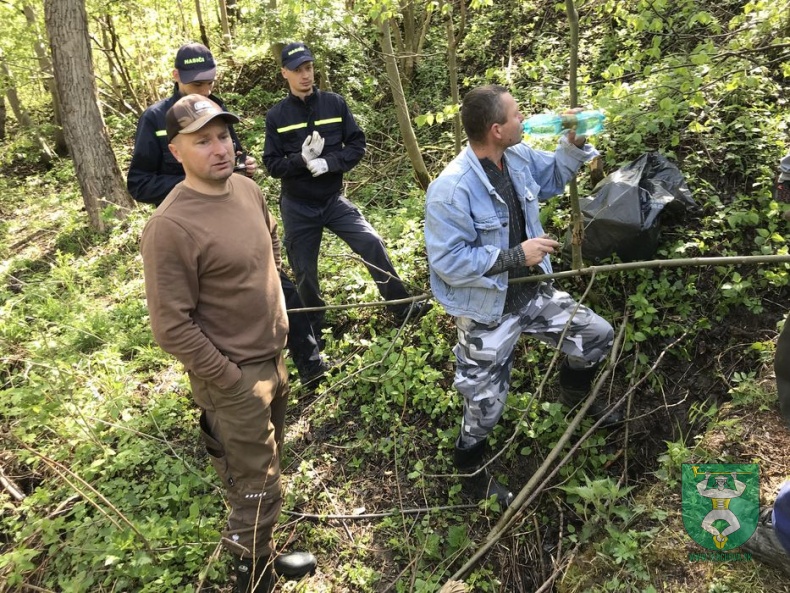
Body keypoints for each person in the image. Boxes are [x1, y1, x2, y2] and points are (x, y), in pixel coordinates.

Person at [140, 94, 316, 592]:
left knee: (270, 466)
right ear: (176, 151)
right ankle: (249, 576)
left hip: (274, 358)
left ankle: (264, 555)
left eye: (223, 136)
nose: (220, 149)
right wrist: (231, 379)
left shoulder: (247, 188)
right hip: (234, 378)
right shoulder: (170, 227)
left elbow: (268, 243)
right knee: (255, 486)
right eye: (202, 141)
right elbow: (171, 327)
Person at [424, 85, 622, 507]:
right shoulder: (451, 189)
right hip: (487, 311)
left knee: (596, 336)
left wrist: (575, 143)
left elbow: (550, 178)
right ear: (496, 130)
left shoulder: (516, 156)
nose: (524, 119)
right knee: (485, 407)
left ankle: (573, 395)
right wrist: (516, 255)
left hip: (532, 293)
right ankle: (470, 470)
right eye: (516, 115)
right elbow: (448, 262)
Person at [128, 42, 328, 388]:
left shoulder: (215, 107)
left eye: (210, 82)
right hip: (195, 230)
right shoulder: (156, 119)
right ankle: (233, 381)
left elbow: (232, 154)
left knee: (283, 290)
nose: (204, 90)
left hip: (235, 215)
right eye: (196, 84)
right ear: (176, 76)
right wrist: (195, 180)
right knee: (221, 311)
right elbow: (139, 183)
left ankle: (309, 366)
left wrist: (240, 165)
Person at [262, 42, 432, 336]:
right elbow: (272, 165)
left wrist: (330, 162)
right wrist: (301, 160)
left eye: (309, 68)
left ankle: (401, 306)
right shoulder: (277, 117)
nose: (305, 75)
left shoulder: (335, 104)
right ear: (284, 73)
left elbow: (356, 144)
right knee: (304, 271)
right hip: (298, 205)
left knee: (371, 242)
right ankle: (315, 329)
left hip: (332, 200)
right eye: (297, 70)